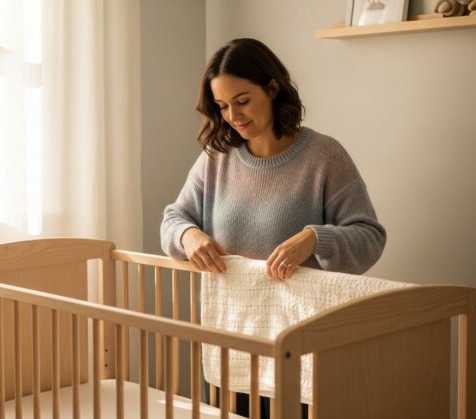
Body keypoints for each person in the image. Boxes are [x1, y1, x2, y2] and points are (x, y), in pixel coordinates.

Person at [160, 38, 386, 418]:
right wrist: (189, 235)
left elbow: (370, 237)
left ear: (272, 88)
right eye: (222, 106)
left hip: (300, 347)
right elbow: (173, 218)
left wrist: (316, 238)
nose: (233, 115)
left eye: (242, 100)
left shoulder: (324, 157)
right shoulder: (217, 160)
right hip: (231, 342)